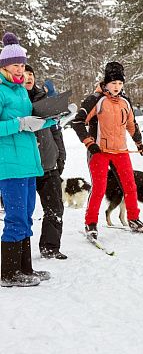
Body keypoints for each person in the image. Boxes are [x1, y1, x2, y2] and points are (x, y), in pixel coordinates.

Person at [0, 32, 55, 287]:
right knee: (16, 217)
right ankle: (8, 274)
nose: (20, 69)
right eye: (15, 65)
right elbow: (11, 125)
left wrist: (55, 117)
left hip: (28, 161)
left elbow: (31, 120)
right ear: (4, 66)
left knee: (27, 216)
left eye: (22, 65)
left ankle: (26, 269)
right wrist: (20, 123)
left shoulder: (21, 91)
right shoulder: (1, 91)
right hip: (9, 165)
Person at [71, 61, 143, 239]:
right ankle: (91, 223)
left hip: (120, 150)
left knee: (130, 185)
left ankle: (134, 219)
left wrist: (138, 141)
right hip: (99, 151)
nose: (117, 87)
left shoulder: (125, 101)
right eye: (113, 83)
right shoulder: (95, 100)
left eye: (120, 83)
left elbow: (131, 124)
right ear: (106, 83)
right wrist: (90, 143)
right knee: (99, 188)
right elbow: (77, 122)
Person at [23, 64, 67, 259]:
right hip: (24, 166)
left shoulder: (46, 99)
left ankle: (50, 247)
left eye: (30, 73)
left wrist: (61, 156)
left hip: (48, 164)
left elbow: (56, 130)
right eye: (23, 73)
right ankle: (20, 255)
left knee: (55, 208)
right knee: (23, 213)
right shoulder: (14, 100)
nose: (27, 77)